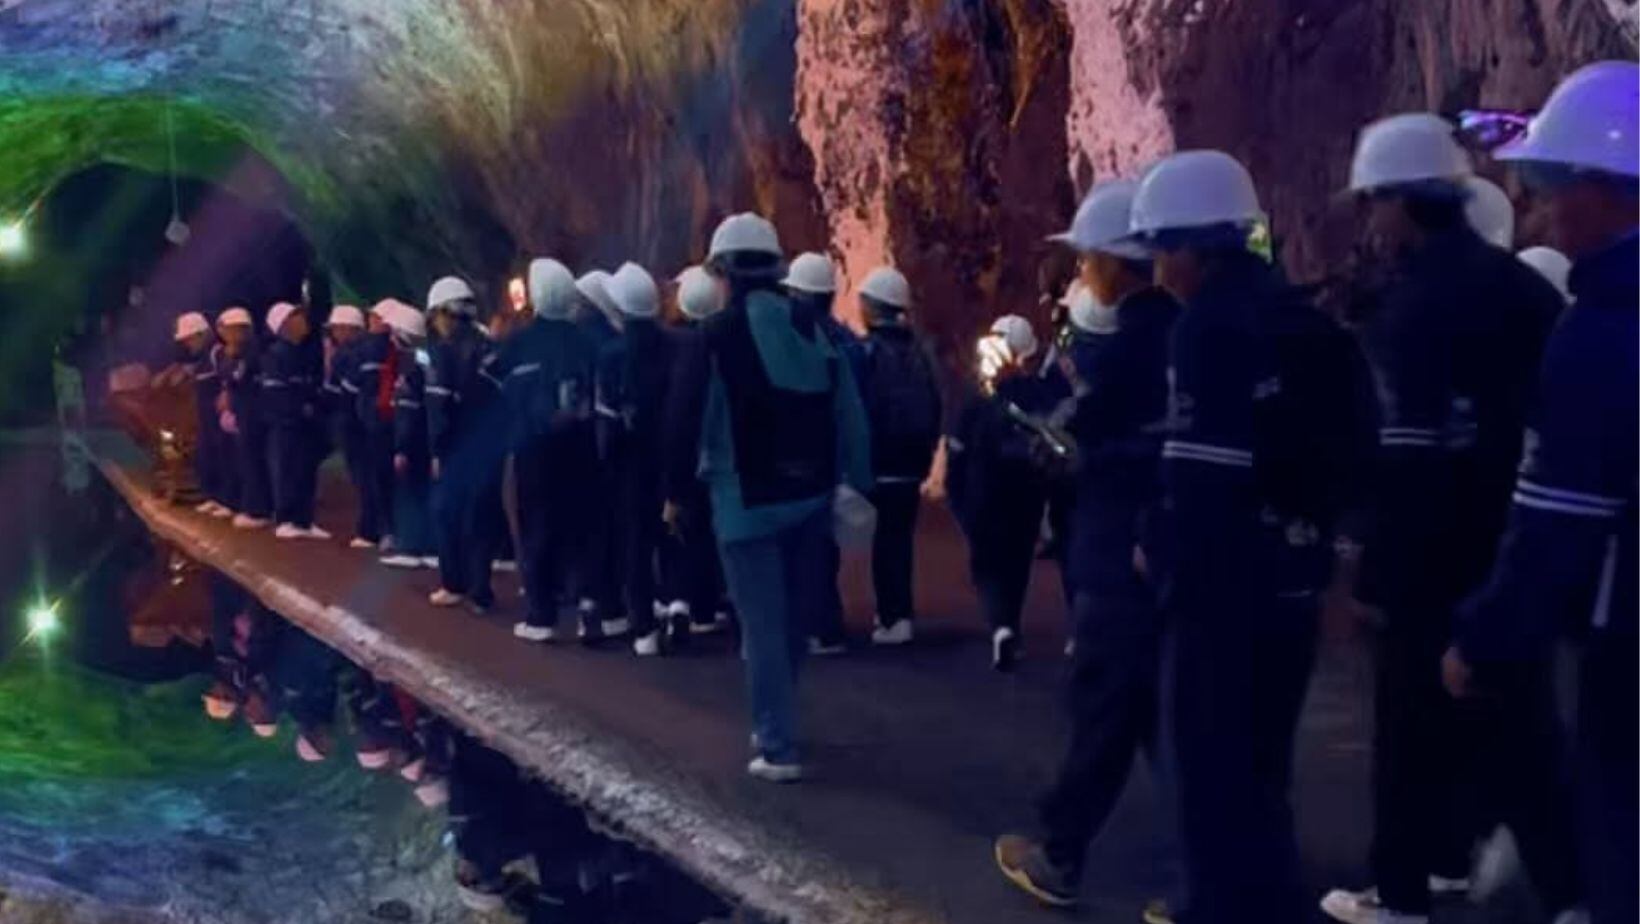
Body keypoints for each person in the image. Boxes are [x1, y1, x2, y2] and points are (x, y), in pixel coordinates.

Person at [1323, 113, 1565, 924]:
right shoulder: (1526, 292)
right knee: (1519, 725)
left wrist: (1375, 575)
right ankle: (1572, 892)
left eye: (1374, 205)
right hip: (1513, 539)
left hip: (1431, 559)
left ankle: (1400, 892)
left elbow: (1408, 457)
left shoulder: (1413, 309)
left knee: (1406, 729)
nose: (1372, 223)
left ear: (1399, 202)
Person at [1134, 150, 1362, 922]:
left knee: (1206, 777)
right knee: (1265, 774)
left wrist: (1163, 558)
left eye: (1164, 248)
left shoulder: (1205, 328)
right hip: (1292, 579)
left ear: (1196, 247)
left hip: (1221, 590)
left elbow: (1201, 482)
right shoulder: (1302, 317)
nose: (1160, 268)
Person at [1445, 61, 1638, 924]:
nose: (1547, 206)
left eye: (1560, 182)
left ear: (1608, 188)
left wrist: (1485, 643)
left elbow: (1557, 525)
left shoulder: (1601, 331)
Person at [994, 179, 1182, 911]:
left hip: (1121, 552)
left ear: (1113, 260)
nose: (1082, 274)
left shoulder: (1135, 344)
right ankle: (1073, 846)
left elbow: (1073, 436)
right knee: (1156, 718)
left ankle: (1065, 854)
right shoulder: (1183, 331)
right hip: (1164, 550)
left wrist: (1020, 402)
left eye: (1087, 260)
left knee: (1112, 709)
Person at [665, 213, 871, 782]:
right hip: (811, 499)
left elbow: (683, 421)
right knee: (794, 620)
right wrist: (857, 478)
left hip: (744, 506)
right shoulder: (814, 328)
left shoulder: (714, 335)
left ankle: (777, 744)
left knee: (761, 627)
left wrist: (677, 493)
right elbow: (848, 411)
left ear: (723, 271)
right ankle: (776, 715)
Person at [946, 314, 1054, 671]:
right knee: (1017, 563)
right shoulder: (1040, 395)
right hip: (1027, 494)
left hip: (984, 495)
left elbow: (957, 451)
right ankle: (1011, 626)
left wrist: (956, 496)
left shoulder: (978, 398)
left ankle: (1001, 625)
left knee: (988, 566)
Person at [507, 259, 596, 642]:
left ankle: (541, 615)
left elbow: (508, 398)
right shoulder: (585, 341)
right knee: (581, 527)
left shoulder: (522, 343)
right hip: (581, 445)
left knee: (538, 528)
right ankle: (588, 605)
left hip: (535, 450)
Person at [853, 266, 942, 647]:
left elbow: (857, 407)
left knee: (884, 541)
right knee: (899, 539)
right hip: (912, 462)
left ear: (872, 309)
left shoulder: (865, 352)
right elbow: (936, 404)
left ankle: (891, 616)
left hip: (880, 460)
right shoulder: (921, 354)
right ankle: (898, 612)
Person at [779, 252, 858, 654]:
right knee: (823, 544)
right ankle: (827, 624)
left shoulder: (794, 339)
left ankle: (812, 625)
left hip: (798, 457)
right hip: (833, 457)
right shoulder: (848, 341)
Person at [601, 262, 674, 656]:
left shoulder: (612, 355)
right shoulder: (677, 344)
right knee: (671, 534)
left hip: (630, 465)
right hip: (671, 459)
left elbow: (607, 425)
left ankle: (644, 628)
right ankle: (677, 605)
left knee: (636, 546)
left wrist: (607, 463)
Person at [425, 277, 505, 612]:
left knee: (447, 515)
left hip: (457, 446)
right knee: (482, 516)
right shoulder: (491, 346)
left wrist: (437, 450)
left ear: (446, 313)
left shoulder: (445, 353)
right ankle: (481, 590)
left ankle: (453, 583)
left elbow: (439, 408)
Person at [659, 266, 730, 642]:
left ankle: (679, 601)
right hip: (722, 457)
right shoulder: (728, 345)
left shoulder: (674, 346)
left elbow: (676, 413)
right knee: (711, 530)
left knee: (682, 528)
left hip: (686, 452)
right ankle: (710, 604)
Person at [572, 270, 628, 637]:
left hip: (578, 444)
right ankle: (610, 606)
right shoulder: (615, 342)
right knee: (613, 529)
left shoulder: (574, 341)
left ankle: (588, 602)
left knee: (588, 530)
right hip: (609, 445)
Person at [262, 302, 329, 540]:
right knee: (287, 469)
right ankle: (286, 518)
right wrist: (299, 408)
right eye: (296, 316)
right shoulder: (276, 355)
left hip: (303, 424)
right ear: (284, 325)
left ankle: (303, 520)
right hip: (286, 425)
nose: (303, 320)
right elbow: (277, 394)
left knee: (305, 470)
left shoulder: (302, 352)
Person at [382, 302, 438, 569]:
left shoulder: (410, 365)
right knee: (424, 490)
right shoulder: (427, 359)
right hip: (428, 438)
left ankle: (412, 544)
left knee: (410, 492)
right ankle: (429, 545)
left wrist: (401, 447)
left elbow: (407, 409)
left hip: (414, 441)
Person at [322, 305, 378, 548]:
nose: (333, 333)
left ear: (348, 329)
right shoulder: (367, 350)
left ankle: (369, 530)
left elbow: (338, 393)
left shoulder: (347, 355)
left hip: (352, 422)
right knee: (368, 476)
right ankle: (375, 527)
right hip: (364, 421)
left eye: (336, 328)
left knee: (364, 476)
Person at [174, 311, 235, 519]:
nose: (188, 344)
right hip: (205, 415)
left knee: (224, 455)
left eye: (189, 339)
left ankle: (229, 499)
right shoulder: (200, 359)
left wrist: (226, 395)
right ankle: (214, 496)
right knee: (206, 454)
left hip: (218, 415)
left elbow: (227, 375)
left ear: (201, 334)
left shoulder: (216, 352)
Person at [218, 307, 272, 530]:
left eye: (233, 330)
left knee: (253, 461)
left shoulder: (250, 352)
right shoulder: (239, 352)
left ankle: (257, 510)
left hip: (254, 414)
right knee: (247, 459)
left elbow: (236, 377)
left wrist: (230, 361)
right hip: (245, 412)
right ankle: (251, 505)